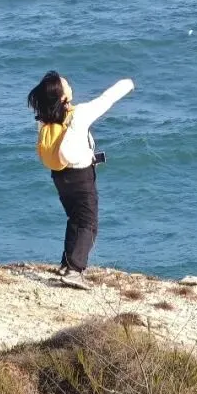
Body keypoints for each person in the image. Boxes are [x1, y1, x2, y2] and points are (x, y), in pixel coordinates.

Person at [27, 70, 134, 288]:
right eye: (65, 83)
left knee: (75, 218)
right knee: (88, 223)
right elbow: (106, 100)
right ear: (63, 97)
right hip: (80, 177)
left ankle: (67, 264)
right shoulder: (79, 115)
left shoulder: (45, 119)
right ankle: (75, 271)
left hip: (60, 176)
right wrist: (128, 83)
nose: (69, 83)